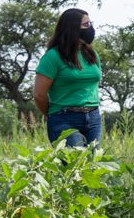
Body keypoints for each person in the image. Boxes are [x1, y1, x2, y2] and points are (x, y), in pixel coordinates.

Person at [34, 8, 102, 147]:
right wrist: (52, 114)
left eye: (90, 24)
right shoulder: (53, 57)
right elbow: (39, 94)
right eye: (86, 25)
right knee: (75, 163)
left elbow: (93, 82)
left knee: (94, 165)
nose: (90, 28)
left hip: (93, 117)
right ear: (72, 28)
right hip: (64, 119)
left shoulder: (92, 54)